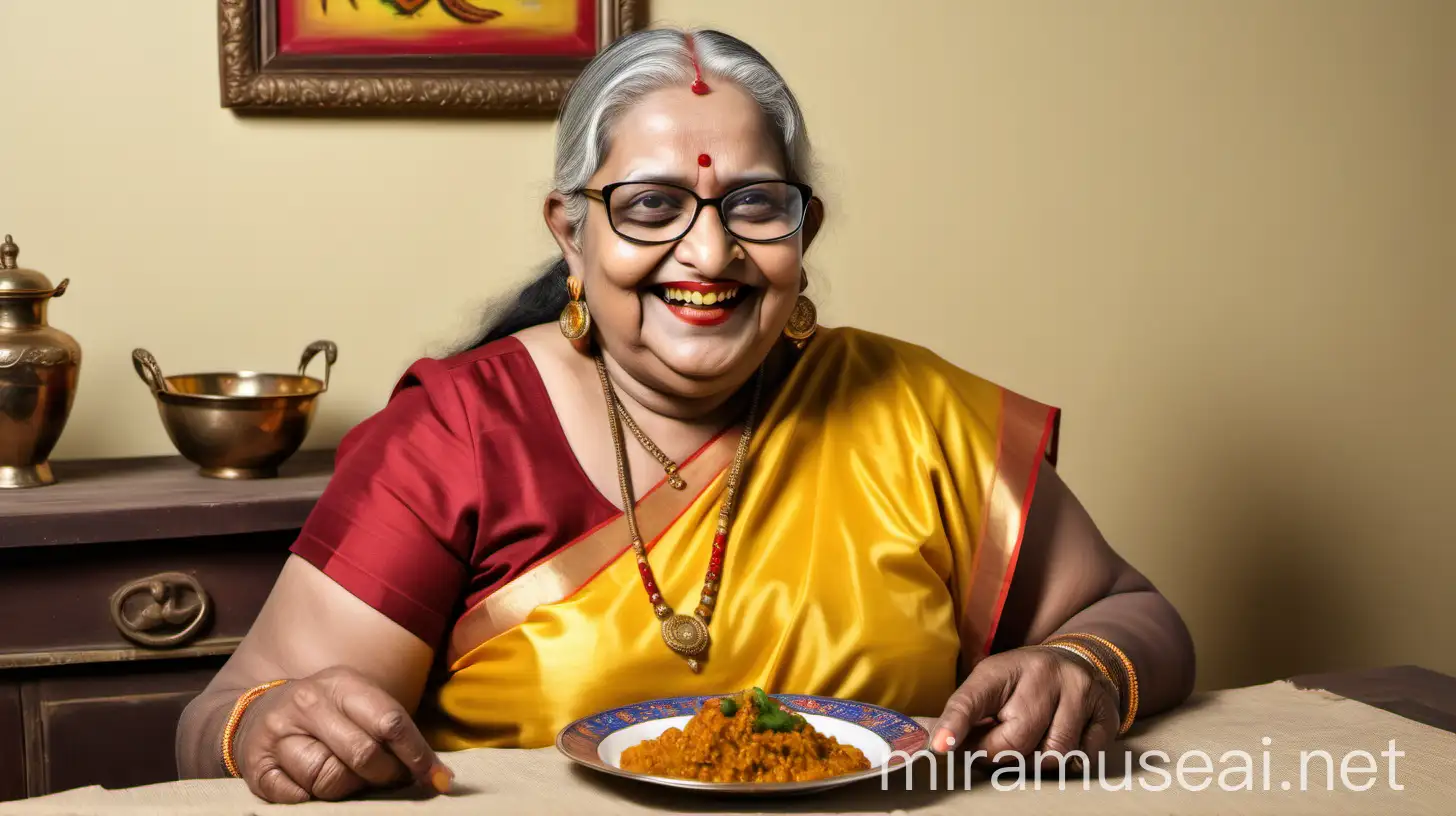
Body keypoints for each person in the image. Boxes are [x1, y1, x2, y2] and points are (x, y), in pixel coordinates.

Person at [176, 27, 1195, 804]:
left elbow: (1135, 613)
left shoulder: (915, 411)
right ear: (570, 234)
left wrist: (1080, 664)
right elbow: (215, 719)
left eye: (755, 205)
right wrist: (275, 724)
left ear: (805, 232)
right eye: (651, 206)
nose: (709, 257)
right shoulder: (462, 436)